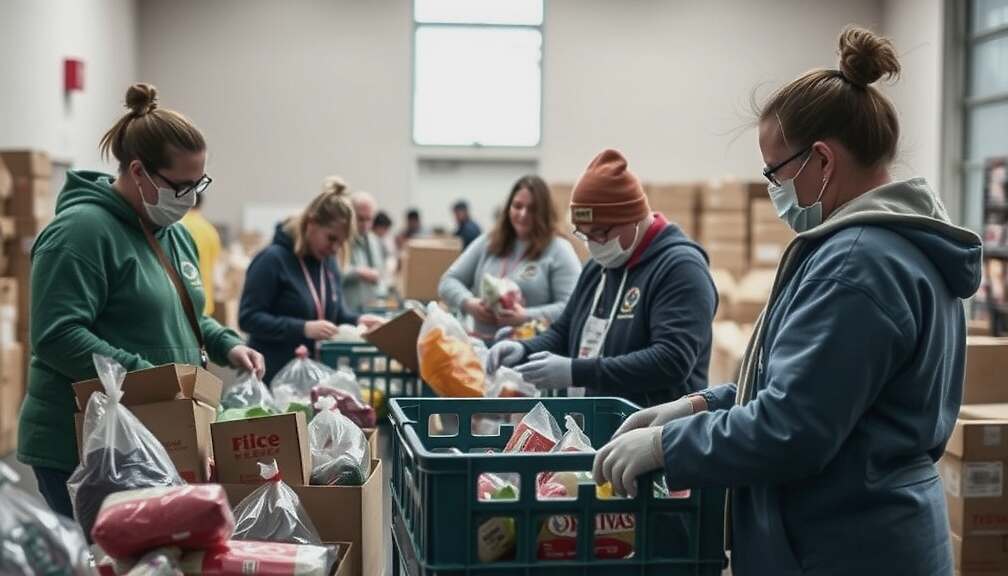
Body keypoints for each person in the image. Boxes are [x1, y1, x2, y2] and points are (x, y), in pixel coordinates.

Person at [592, 27, 983, 575]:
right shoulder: (890, 246)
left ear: (821, 161)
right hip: (862, 532)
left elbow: (792, 427)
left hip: (847, 545)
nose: (774, 188)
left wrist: (669, 448)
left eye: (775, 172)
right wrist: (699, 406)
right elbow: (808, 386)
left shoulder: (857, 264)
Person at [17, 83, 265, 518]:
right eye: (181, 185)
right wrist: (152, 380)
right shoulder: (79, 233)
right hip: (86, 446)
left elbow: (186, 314)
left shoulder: (175, 235)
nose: (190, 197)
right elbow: (56, 335)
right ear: (138, 171)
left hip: (155, 433)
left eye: (198, 183)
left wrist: (228, 343)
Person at [485, 150, 717, 408]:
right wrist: (525, 349)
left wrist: (576, 371)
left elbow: (671, 360)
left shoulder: (680, 269)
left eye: (600, 233)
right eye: (584, 234)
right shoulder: (600, 267)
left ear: (633, 219)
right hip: (600, 427)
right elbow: (565, 330)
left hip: (656, 433)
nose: (593, 245)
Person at [239, 177, 384, 383]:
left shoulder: (327, 262)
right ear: (311, 223)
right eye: (331, 238)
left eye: (340, 243)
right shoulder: (272, 259)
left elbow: (335, 312)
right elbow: (249, 318)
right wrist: (303, 328)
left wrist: (358, 321)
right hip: (275, 376)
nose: (334, 249)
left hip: (315, 375)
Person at [438, 176, 582, 340]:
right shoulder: (488, 242)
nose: (523, 214)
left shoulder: (559, 250)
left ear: (544, 213)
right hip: (482, 347)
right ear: (508, 208)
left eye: (532, 209)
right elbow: (447, 282)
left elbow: (573, 307)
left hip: (532, 353)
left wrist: (526, 316)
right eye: (517, 206)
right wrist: (469, 304)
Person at [342, 191, 388, 312]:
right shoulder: (340, 240)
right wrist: (359, 272)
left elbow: (380, 271)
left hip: (370, 307)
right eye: (360, 219)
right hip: (347, 309)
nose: (365, 225)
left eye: (369, 219)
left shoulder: (374, 240)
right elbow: (333, 272)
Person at [181, 192, 222, 315]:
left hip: (180, 301)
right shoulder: (211, 231)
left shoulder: (176, 226)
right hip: (204, 301)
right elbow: (216, 269)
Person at [372, 210, 398, 281]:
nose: (386, 232)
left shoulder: (384, 239)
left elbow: (391, 254)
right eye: (385, 229)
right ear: (377, 227)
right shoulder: (371, 240)